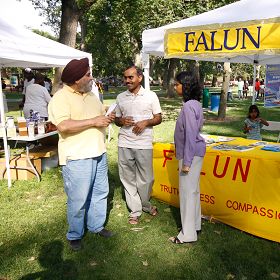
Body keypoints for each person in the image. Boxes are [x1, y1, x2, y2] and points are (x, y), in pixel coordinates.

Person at [48, 57, 116, 251]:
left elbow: (96, 114)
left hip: (99, 152)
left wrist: (106, 115)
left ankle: (96, 226)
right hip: (77, 157)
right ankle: (75, 234)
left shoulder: (91, 94)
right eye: (87, 75)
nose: (91, 77)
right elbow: (63, 125)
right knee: (78, 199)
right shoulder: (60, 98)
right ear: (77, 79)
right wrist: (94, 121)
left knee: (100, 193)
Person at [115, 65, 162, 225]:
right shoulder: (120, 97)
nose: (126, 80)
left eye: (130, 77)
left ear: (139, 78)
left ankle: (145, 204)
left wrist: (146, 122)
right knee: (127, 178)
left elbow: (158, 117)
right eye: (125, 77)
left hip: (144, 144)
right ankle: (135, 210)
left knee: (146, 178)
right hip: (124, 142)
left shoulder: (151, 96)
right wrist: (121, 121)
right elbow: (116, 119)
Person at [169, 71, 206, 244]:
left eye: (177, 84)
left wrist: (187, 162)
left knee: (187, 193)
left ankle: (187, 234)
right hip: (195, 152)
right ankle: (195, 226)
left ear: (186, 86)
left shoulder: (188, 106)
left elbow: (190, 134)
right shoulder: (195, 104)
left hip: (190, 154)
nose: (175, 86)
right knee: (193, 191)